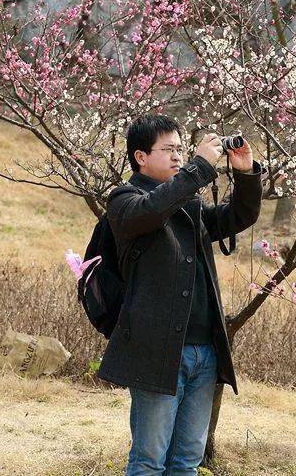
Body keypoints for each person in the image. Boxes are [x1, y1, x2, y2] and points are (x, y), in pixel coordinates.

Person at [97, 114, 263, 475]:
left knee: (187, 461)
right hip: (158, 352)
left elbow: (239, 217)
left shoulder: (188, 206)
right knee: (149, 460)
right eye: (168, 150)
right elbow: (151, 210)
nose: (177, 157)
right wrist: (199, 167)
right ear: (140, 156)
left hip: (205, 352)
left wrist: (246, 174)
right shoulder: (125, 201)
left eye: (180, 150)